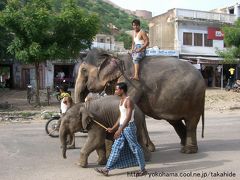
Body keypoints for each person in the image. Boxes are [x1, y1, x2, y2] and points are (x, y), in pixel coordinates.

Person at [94, 82, 147, 177]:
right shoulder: (121, 101)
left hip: (129, 127)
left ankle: (143, 169)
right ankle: (106, 169)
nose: (115, 91)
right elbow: (120, 117)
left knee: (135, 147)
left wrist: (119, 130)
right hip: (122, 126)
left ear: (122, 90)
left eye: (116, 89)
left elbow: (128, 117)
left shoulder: (128, 101)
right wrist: (114, 128)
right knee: (116, 147)